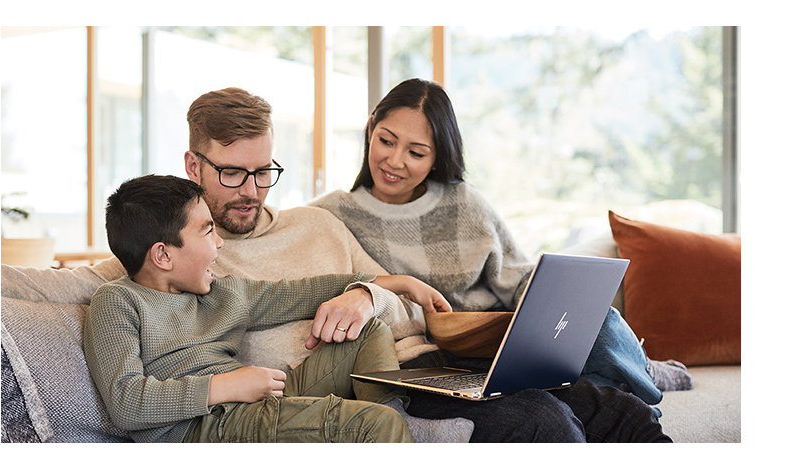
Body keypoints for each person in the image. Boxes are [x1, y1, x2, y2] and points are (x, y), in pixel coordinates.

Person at [181, 86, 671, 442]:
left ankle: (643, 373)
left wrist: (366, 294)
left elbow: (405, 302)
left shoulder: (315, 224)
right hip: (373, 388)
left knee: (624, 415)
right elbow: (114, 282)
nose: (250, 190)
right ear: (192, 166)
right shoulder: (176, 253)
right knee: (545, 421)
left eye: (263, 172)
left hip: (428, 360)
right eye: (231, 173)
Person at [309, 78, 694, 403]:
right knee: (577, 395)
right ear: (371, 127)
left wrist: (545, 312)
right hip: (440, 357)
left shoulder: (464, 203)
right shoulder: (333, 215)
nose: (394, 161)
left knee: (601, 320)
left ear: (437, 156)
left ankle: (641, 372)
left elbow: (519, 276)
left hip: (503, 338)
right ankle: (631, 372)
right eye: (386, 141)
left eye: (416, 152)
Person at [82, 174, 473, 443]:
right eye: (206, 230)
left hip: (263, 401)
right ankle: (383, 430)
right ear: (163, 255)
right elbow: (126, 403)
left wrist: (399, 284)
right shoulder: (118, 302)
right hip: (201, 429)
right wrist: (226, 385)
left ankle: (377, 431)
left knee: (367, 329)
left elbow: (307, 291)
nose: (219, 243)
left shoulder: (221, 293)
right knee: (378, 424)